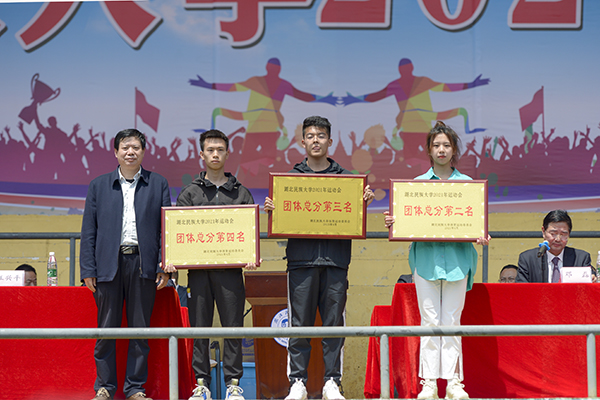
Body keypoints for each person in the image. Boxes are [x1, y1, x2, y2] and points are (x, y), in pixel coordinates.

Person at [264, 116, 375, 400]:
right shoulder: (289, 180)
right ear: (302, 141)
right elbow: (282, 220)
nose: (316, 140)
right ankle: (297, 382)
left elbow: (353, 215)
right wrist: (275, 209)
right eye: (311, 136)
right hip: (301, 262)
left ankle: (332, 382)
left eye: (321, 135)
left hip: (336, 261)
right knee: (298, 325)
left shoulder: (348, 180)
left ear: (330, 141)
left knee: (334, 326)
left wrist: (361, 201)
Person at [384, 121, 490, 400]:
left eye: (446, 145)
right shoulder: (416, 185)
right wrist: (395, 223)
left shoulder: (468, 185)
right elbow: (407, 222)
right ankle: (429, 382)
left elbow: (475, 222)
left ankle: (454, 383)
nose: (441, 149)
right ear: (429, 150)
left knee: (452, 320)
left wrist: (481, 234)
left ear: (454, 150)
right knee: (429, 320)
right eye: (436, 145)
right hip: (426, 261)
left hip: (457, 261)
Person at [163, 129, 259, 400]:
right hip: (198, 274)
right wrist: (173, 258)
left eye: (220, 150)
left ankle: (233, 383)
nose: (215, 154)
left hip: (231, 273)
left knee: (233, 328)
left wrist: (250, 255)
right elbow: (178, 234)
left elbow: (249, 233)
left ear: (227, 154)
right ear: (201, 154)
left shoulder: (241, 193)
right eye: (210, 150)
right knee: (199, 327)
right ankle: (201, 383)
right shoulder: (190, 193)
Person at [80, 128, 171, 400]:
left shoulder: (158, 183)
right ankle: (105, 387)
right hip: (108, 265)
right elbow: (89, 231)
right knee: (105, 330)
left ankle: (135, 388)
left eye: (136, 147)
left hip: (144, 264)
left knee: (140, 331)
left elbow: (165, 229)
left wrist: (164, 265)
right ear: (116, 152)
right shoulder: (98, 185)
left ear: (143, 151)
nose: (130, 152)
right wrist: (88, 269)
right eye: (125, 147)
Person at [516, 210, 592, 283]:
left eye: (563, 234)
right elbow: (521, 289)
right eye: (553, 234)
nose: (558, 239)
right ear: (543, 232)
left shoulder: (581, 259)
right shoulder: (527, 259)